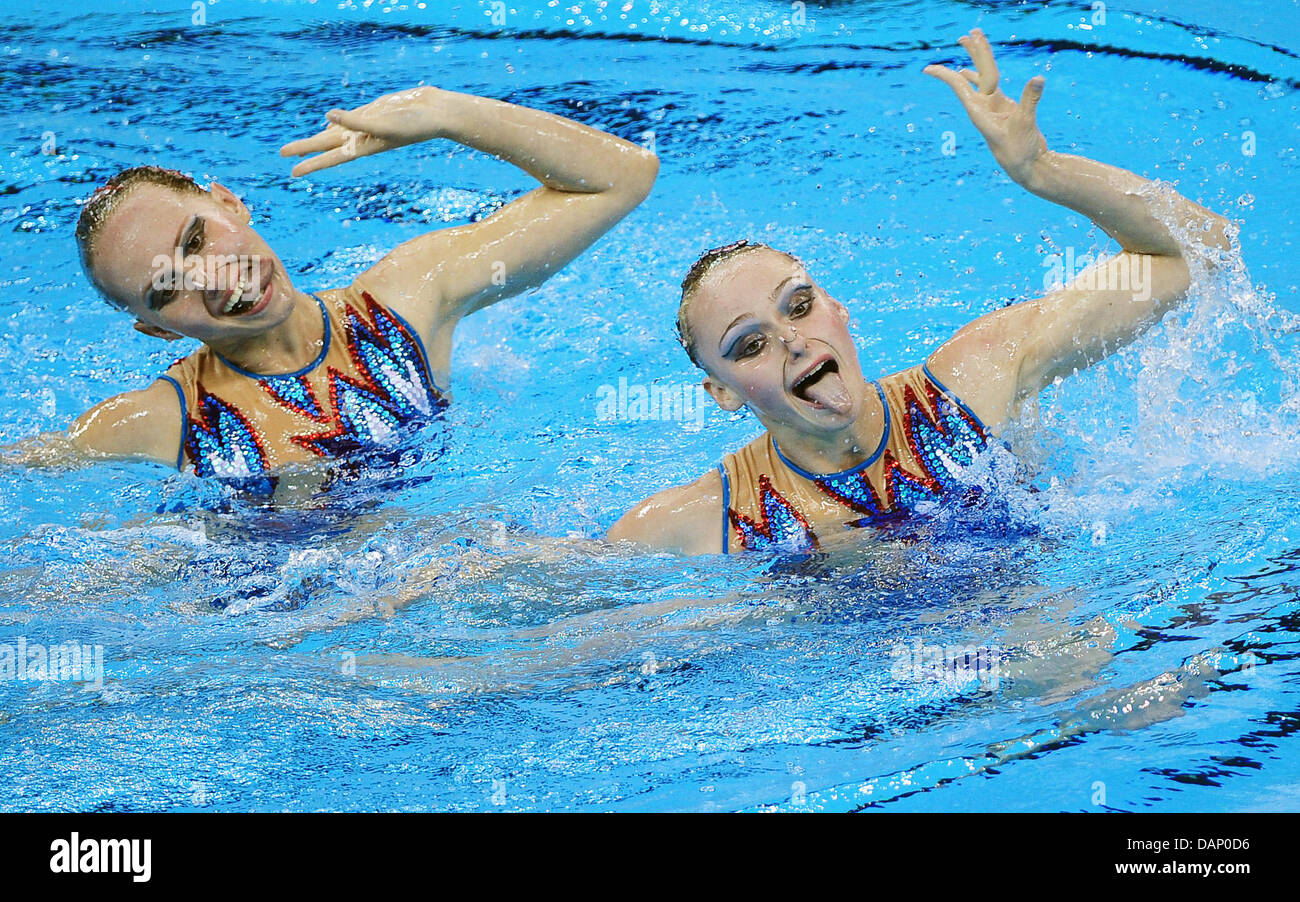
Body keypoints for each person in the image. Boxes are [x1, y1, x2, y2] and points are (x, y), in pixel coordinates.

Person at [606, 28, 1232, 555]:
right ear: (721, 393)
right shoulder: (697, 524)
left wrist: (1043, 170)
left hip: (1034, 636)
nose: (794, 341)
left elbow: (1199, 251)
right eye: (749, 346)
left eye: (798, 305)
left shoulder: (976, 380)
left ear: (838, 308)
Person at [4, 85, 658, 491]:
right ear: (157, 331)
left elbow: (623, 177)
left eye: (198, 240)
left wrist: (447, 114)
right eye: (168, 289)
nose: (214, 278)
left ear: (230, 203)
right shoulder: (162, 421)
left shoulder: (407, 301)